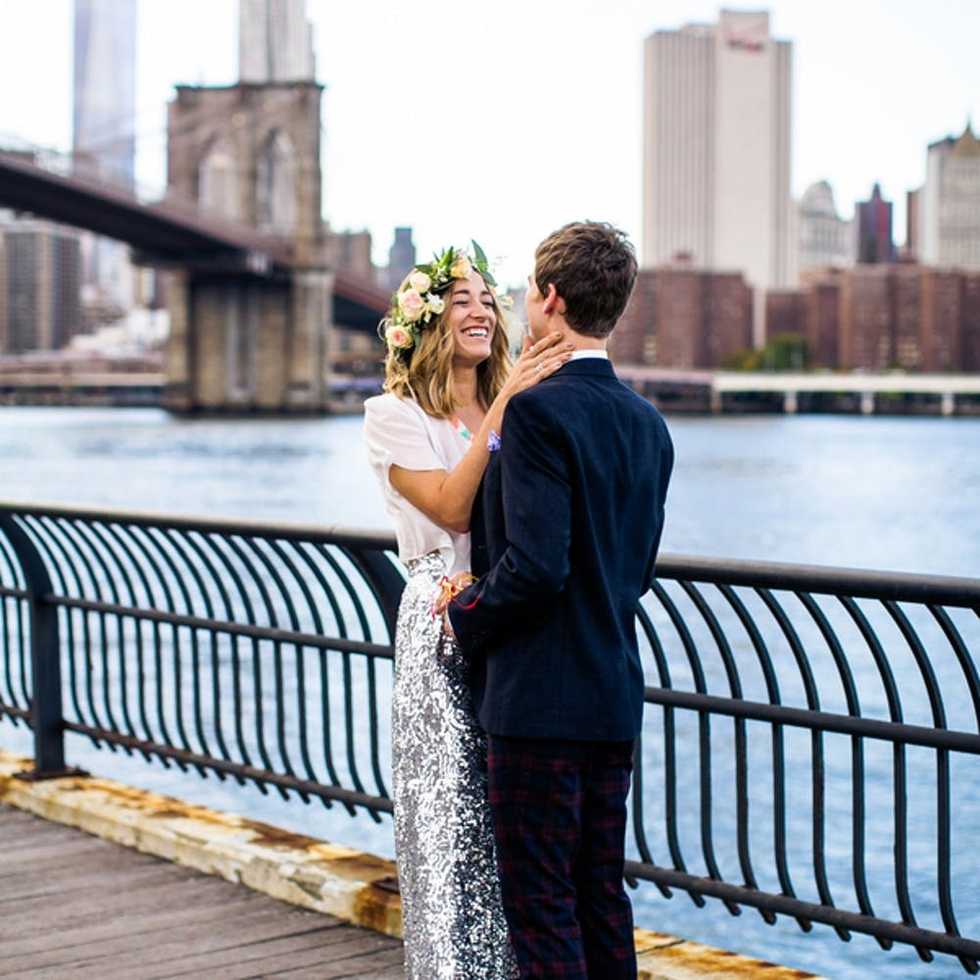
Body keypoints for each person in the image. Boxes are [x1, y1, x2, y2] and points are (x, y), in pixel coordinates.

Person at [448, 222, 674, 979]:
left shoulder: (536, 412)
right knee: (600, 898)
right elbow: (635, 569)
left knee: (542, 908)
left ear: (550, 299)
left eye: (523, 291)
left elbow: (537, 567)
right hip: (612, 693)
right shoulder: (648, 423)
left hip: (538, 702)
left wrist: (464, 614)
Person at [363, 242, 573, 979]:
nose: (481, 310)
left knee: (514, 827)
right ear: (424, 321)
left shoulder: (519, 406)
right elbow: (452, 510)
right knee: (453, 823)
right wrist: (509, 399)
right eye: (460, 299)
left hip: (509, 615)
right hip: (443, 622)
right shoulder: (393, 416)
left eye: (488, 298)